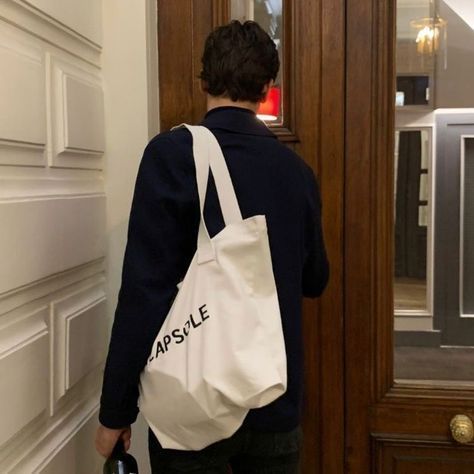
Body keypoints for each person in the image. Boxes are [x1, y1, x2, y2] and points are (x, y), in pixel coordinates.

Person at [95, 20, 329, 473]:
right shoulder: (296, 172)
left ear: (203, 80)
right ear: (267, 86)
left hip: (192, 407)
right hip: (273, 406)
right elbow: (315, 280)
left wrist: (116, 411)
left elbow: (144, 294)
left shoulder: (172, 155)